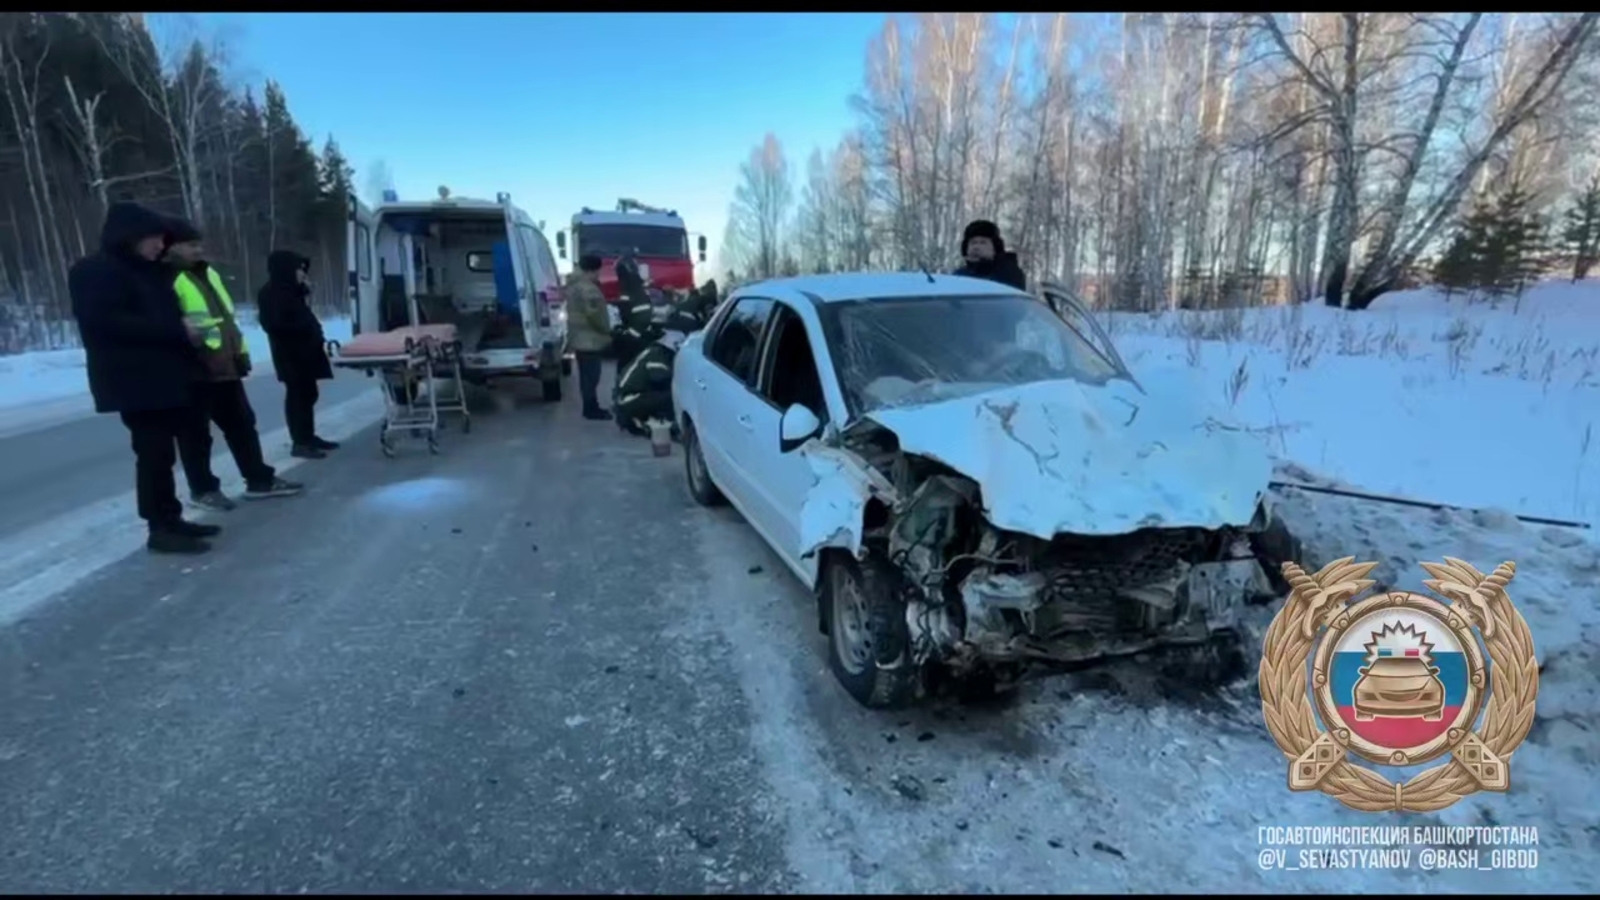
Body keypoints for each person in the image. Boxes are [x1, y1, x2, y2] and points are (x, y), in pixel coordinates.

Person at [69, 202, 221, 554]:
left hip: (166, 376)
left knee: (164, 453)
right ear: (130, 237)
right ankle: (159, 527)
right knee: (152, 453)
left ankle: (171, 518)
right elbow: (103, 323)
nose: (160, 246)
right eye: (155, 239)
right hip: (133, 380)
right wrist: (177, 330)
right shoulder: (93, 272)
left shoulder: (150, 271)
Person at [163, 219, 304, 508]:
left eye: (199, 244)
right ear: (172, 246)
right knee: (196, 435)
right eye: (190, 245)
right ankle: (203, 490)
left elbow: (225, 318)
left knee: (242, 425)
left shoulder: (208, 274)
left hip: (223, 365)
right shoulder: (166, 278)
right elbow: (170, 325)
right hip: (193, 368)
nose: (198, 250)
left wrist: (238, 353)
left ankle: (259, 480)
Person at [257, 249, 339, 459]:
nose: (303, 274)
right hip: (291, 355)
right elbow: (275, 323)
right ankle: (300, 441)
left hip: (305, 352)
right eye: (298, 269)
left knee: (308, 394)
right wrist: (303, 331)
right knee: (298, 397)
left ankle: (308, 436)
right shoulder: (271, 293)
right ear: (285, 270)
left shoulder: (290, 290)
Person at [564, 253, 613, 420]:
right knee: (592, 376)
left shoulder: (573, 284)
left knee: (585, 376)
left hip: (579, 337)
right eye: (598, 271)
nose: (599, 275)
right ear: (592, 270)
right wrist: (606, 329)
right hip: (590, 338)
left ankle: (589, 406)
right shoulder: (588, 288)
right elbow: (595, 314)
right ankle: (591, 409)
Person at [953, 219, 1027, 291]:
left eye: (983, 242)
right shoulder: (958, 277)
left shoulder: (1009, 274)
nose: (976, 247)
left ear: (995, 248)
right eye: (973, 242)